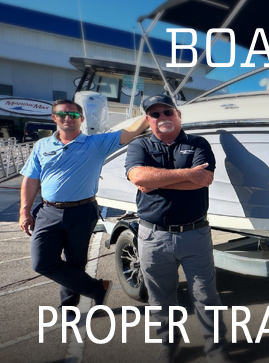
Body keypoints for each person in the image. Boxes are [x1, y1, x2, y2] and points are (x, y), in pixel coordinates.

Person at [124, 95, 231, 363]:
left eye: (167, 112)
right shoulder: (140, 145)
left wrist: (156, 180)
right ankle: (168, 344)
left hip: (194, 233)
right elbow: (137, 176)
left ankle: (216, 349)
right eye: (155, 114)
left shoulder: (197, 143)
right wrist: (186, 174)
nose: (162, 118)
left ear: (178, 114)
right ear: (148, 120)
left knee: (206, 295)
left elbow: (203, 179)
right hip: (152, 235)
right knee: (160, 296)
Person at [19, 99, 149, 319]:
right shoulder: (42, 145)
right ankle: (96, 288)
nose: (68, 118)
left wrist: (153, 115)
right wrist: (25, 211)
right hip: (49, 211)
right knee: (42, 262)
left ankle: (68, 307)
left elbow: (131, 132)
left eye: (73, 114)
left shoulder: (96, 143)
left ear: (81, 119)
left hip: (82, 211)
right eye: (62, 115)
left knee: (75, 261)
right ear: (54, 118)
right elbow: (31, 179)